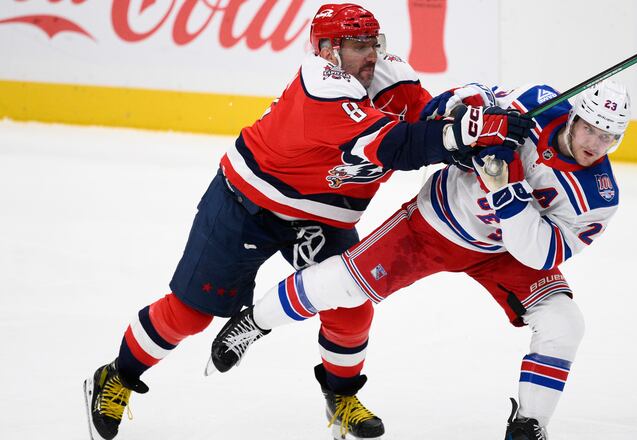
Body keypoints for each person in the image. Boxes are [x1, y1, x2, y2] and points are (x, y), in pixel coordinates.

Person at [82, 3, 531, 440]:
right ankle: (116, 377)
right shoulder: (320, 89)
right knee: (190, 313)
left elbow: (426, 118)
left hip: (318, 217)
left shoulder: (390, 75)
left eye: (373, 43)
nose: (371, 54)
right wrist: (468, 132)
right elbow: (399, 147)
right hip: (245, 204)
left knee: (351, 303)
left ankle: (340, 398)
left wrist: (473, 118)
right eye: (358, 45)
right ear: (327, 50)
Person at [208, 79, 632, 440]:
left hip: (504, 252)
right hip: (436, 225)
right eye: (590, 129)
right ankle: (255, 322)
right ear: (574, 118)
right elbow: (450, 104)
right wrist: (475, 115)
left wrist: (507, 182)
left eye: (608, 137)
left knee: (564, 322)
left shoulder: (599, 197)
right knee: (342, 285)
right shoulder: (536, 100)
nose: (595, 144)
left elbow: (537, 253)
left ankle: (529, 425)